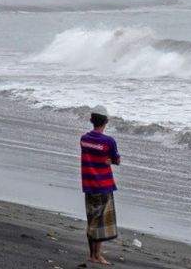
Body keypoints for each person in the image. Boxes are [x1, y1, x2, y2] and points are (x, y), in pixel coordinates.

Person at [80, 105, 120, 265]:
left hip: (89, 184)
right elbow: (116, 159)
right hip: (103, 185)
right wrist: (111, 160)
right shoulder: (109, 141)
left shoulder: (84, 139)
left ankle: (93, 254)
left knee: (92, 219)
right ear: (106, 121)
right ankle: (97, 256)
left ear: (91, 120)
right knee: (100, 222)